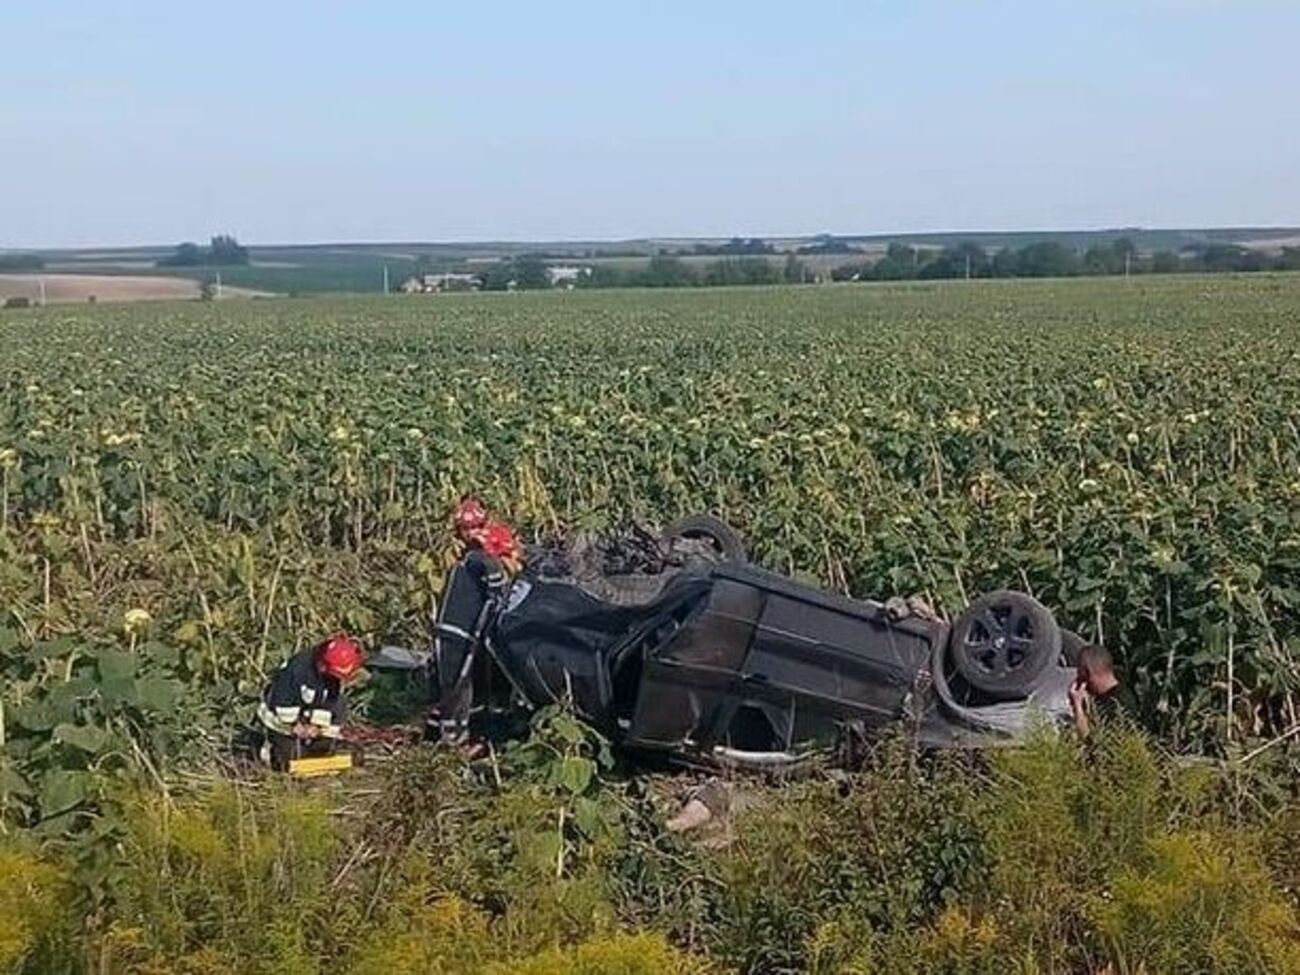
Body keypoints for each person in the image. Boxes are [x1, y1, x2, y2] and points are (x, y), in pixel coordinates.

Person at [428, 497, 524, 742]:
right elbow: (498, 585)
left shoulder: (470, 561)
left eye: (477, 528)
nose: (472, 534)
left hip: (471, 634)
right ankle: (451, 743)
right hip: (454, 635)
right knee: (456, 688)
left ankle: (471, 732)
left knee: (473, 688)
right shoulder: (476, 560)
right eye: (467, 529)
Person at [257, 634, 365, 771]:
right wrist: (296, 726)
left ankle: (316, 750)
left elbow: (331, 702)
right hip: (282, 723)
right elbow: (283, 705)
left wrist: (318, 728)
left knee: (349, 752)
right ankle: (270, 748)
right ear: (323, 666)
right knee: (289, 760)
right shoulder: (295, 671)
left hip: (311, 724)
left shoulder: (331, 676)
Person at [1068, 643, 1138, 740]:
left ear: (1088, 673)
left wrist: (1077, 705)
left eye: (1081, 674)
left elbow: (1087, 738)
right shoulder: (1105, 697)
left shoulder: (1119, 705)